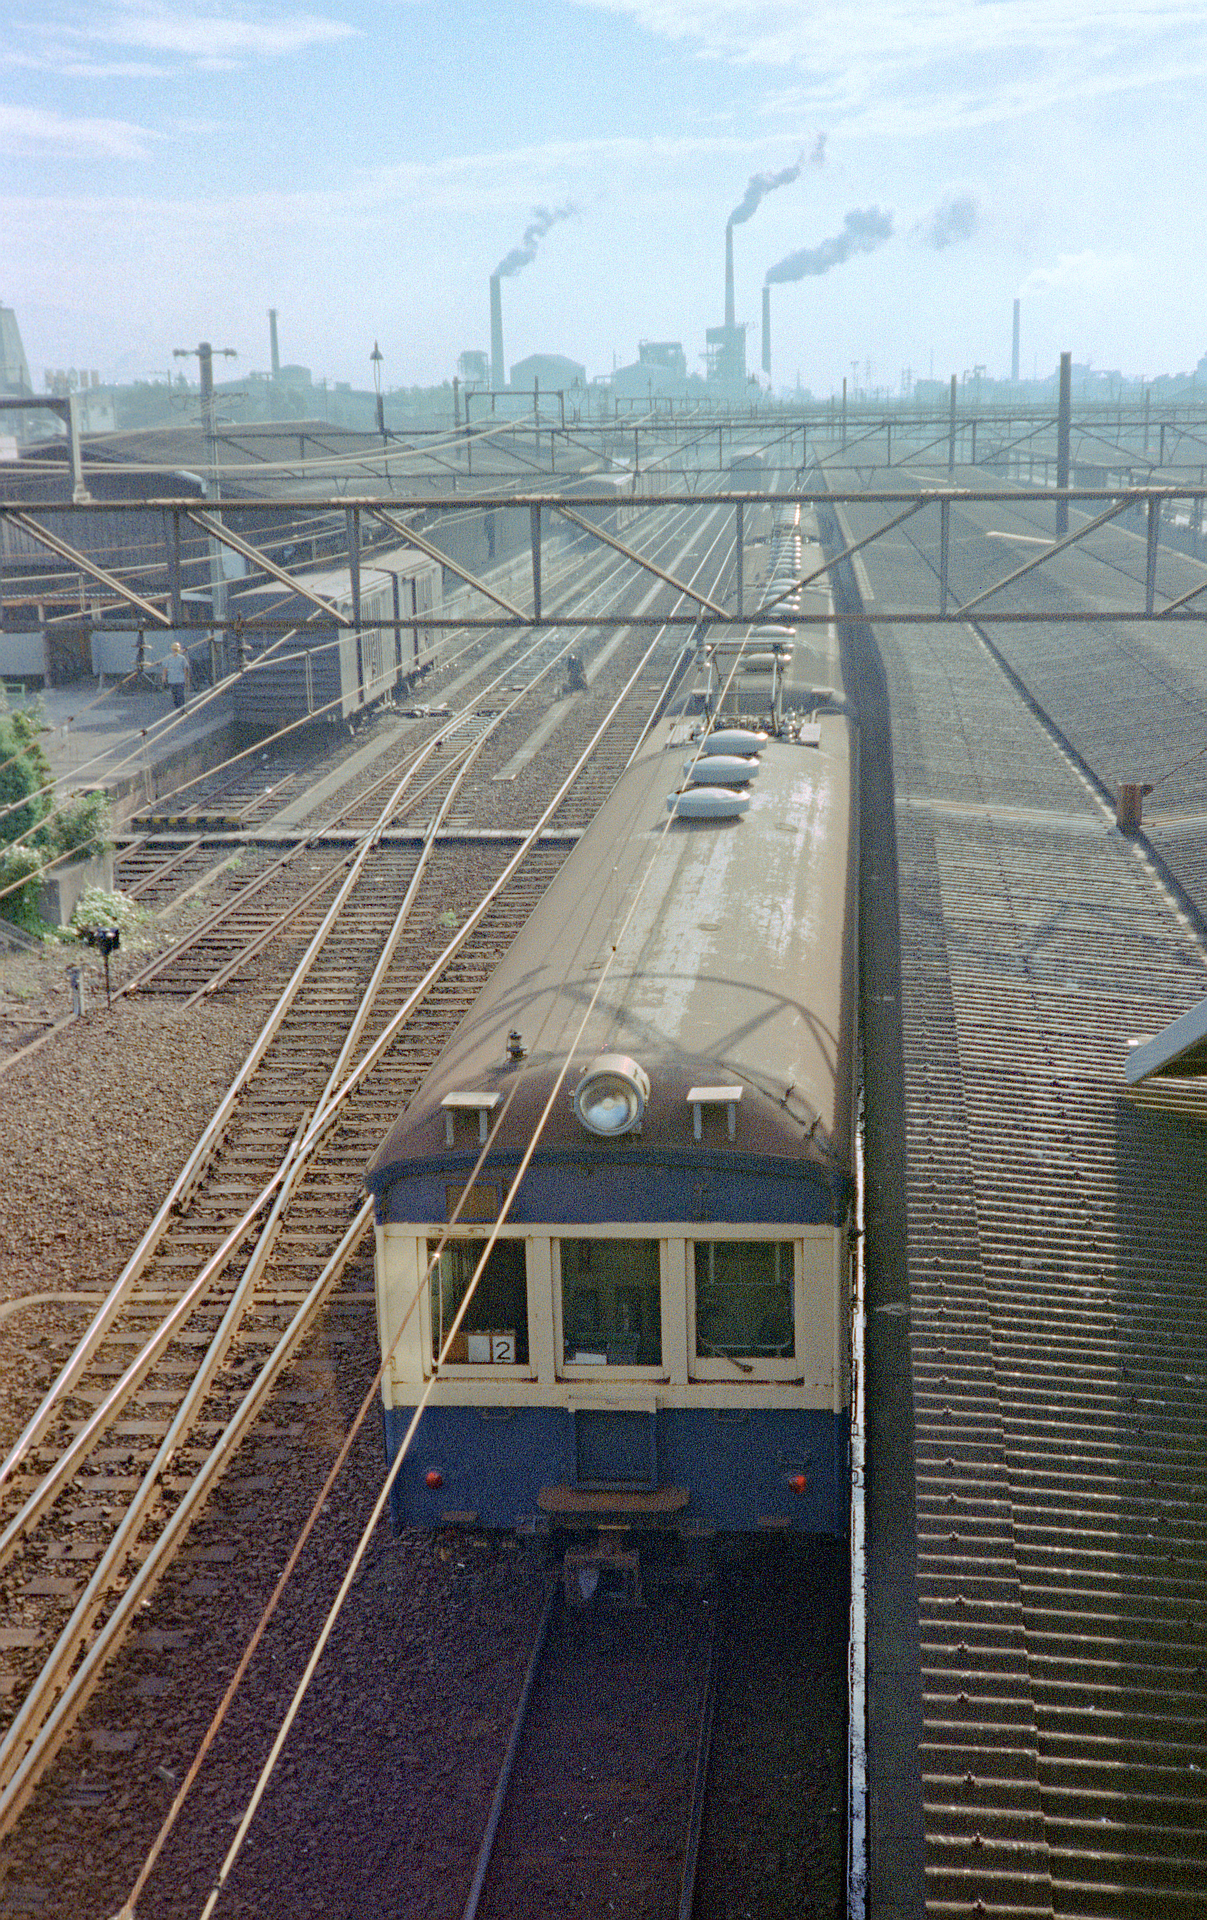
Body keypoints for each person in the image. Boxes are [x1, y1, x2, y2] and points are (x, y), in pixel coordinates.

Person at [162, 641, 191, 709]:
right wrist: (164, 677)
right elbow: (165, 668)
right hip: (173, 679)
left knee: (180, 694)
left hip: (179, 679)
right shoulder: (169, 657)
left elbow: (185, 669)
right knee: (175, 695)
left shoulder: (182, 658)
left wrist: (186, 678)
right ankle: (178, 708)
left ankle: (182, 708)